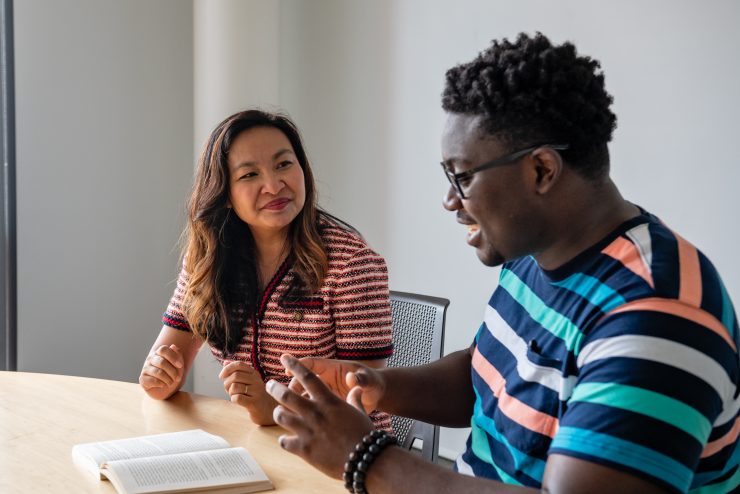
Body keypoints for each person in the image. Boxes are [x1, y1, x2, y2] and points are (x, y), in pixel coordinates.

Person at [264, 32, 740, 494]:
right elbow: (486, 377)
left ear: (541, 170)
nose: (450, 200)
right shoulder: (536, 252)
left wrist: (365, 457)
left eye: (462, 176)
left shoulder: (657, 316)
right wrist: (374, 385)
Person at [138, 109, 393, 428]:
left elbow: (365, 397)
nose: (273, 186)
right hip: (258, 444)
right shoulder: (209, 257)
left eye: (284, 164)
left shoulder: (352, 263)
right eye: (249, 175)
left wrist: (273, 407)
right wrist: (159, 376)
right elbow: (168, 356)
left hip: (346, 454)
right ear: (225, 194)